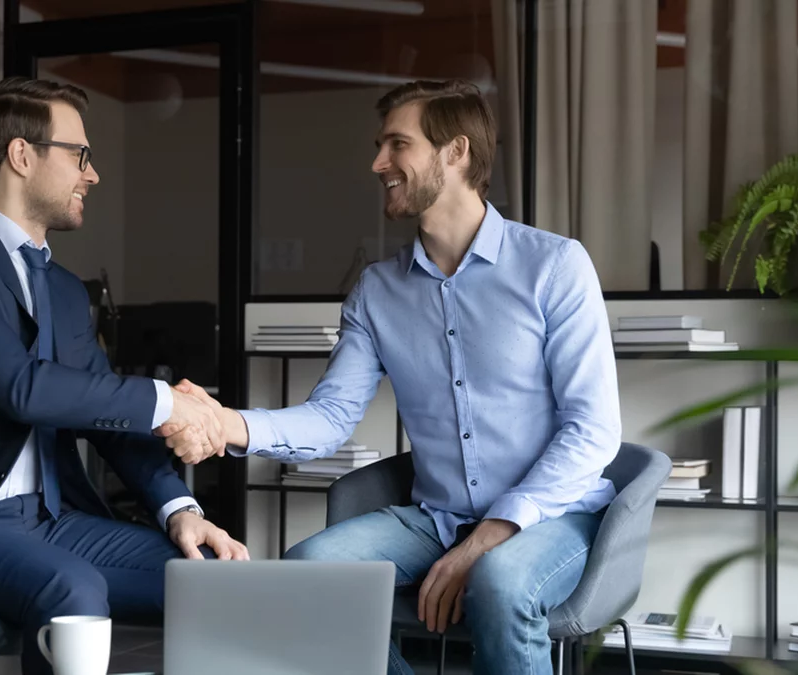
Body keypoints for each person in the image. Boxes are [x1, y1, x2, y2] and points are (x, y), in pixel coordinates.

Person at [159, 79, 621, 675]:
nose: (378, 163)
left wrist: (490, 537)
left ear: (455, 153)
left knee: (501, 583)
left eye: (397, 144)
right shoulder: (377, 291)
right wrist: (224, 421)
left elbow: (592, 429)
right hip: (439, 520)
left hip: (556, 516)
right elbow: (329, 419)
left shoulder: (555, 266)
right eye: (380, 145)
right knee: (309, 574)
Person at [0, 76, 249, 675]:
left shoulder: (67, 294)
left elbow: (108, 425)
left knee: (223, 582)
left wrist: (179, 509)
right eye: (80, 155)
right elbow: (21, 388)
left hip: (53, 520)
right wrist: (165, 403)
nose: (92, 174)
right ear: (21, 155)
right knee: (72, 592)